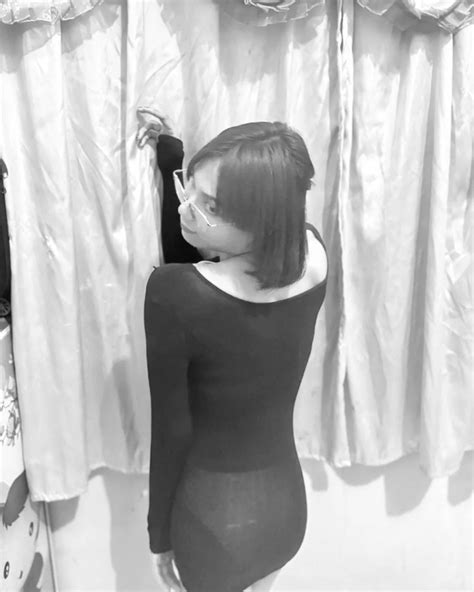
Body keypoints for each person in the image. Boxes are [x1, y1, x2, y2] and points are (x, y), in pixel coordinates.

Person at [144, 121, 328, 592]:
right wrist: (170, 159)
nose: (186, 208)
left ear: (261, 222)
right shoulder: (313, 252)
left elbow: (170, 431)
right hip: (286, 511)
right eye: (189, 187)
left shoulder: (173, 296)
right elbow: (206, 260)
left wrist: (158, 536)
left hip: (211, 521)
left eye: (210, 206)